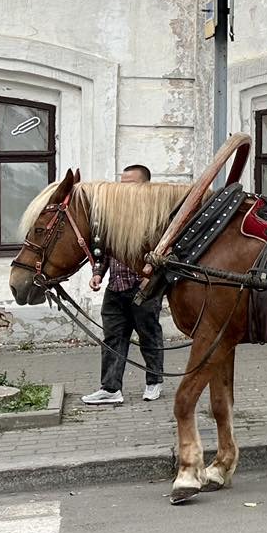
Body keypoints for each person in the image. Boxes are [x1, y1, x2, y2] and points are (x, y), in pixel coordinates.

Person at [81, 164, 165, 406]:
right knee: (113, 338)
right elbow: (105, 250)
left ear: (144, 186)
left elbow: (163, 251)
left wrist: (152, 278)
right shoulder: (114, 215)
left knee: (149, 336)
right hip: (115, 287)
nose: (122, 188)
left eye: (129, 183)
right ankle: (110, 388)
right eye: (121, 182)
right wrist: (98, 273)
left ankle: (153, 382)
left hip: (144, 289)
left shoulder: (154, 215)